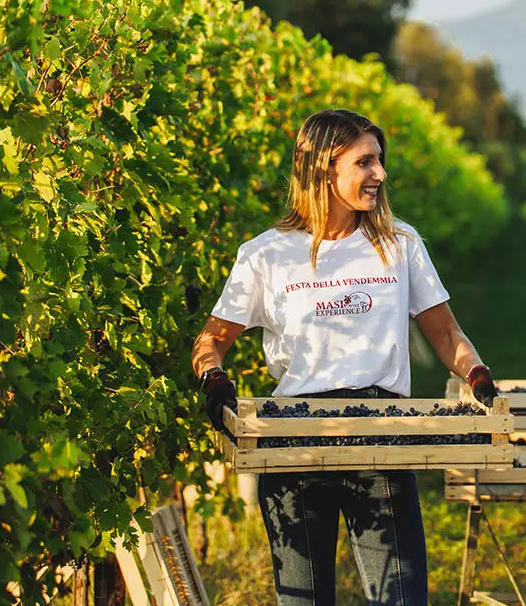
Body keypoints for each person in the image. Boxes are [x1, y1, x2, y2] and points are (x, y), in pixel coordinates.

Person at [191, 108, 499, 606]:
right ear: (322, 168)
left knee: (400, 596)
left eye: (380, 160)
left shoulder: (399, 244)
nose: (380, 173)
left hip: (380, 431)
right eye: (365, 162)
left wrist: (477, 374)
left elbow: (444, 333)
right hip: (294, 441)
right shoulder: (265, 255)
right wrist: (214, 381)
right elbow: (211, 341)